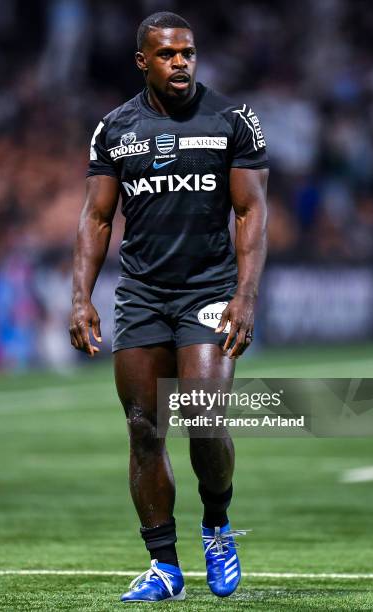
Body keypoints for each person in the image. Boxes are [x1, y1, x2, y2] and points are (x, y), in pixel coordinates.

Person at [70, 11, 269, 602]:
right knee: (143, 428)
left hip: (208, 290)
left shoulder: (234, 120)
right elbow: (98, 217)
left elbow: (252, 211)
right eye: (167, 54)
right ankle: (164, 566)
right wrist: (81, 297)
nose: (181, 62)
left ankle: (217, 527)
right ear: (143, 62)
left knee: (204, 415)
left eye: (188, 52)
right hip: (142, 295)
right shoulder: (114, 128)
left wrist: (245, 294)